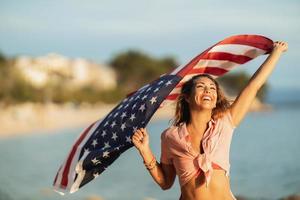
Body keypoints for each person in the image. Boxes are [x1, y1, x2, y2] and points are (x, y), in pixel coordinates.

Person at [132, 41, 288, 200]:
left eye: (212, 88)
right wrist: (145, 151)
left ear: (215, 100)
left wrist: (276, 53)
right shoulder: (171, 136)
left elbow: (253, 86)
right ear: (186, 97)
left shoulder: (225, 123)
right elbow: (165, 182)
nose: (208, 90)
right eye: (200, 86)